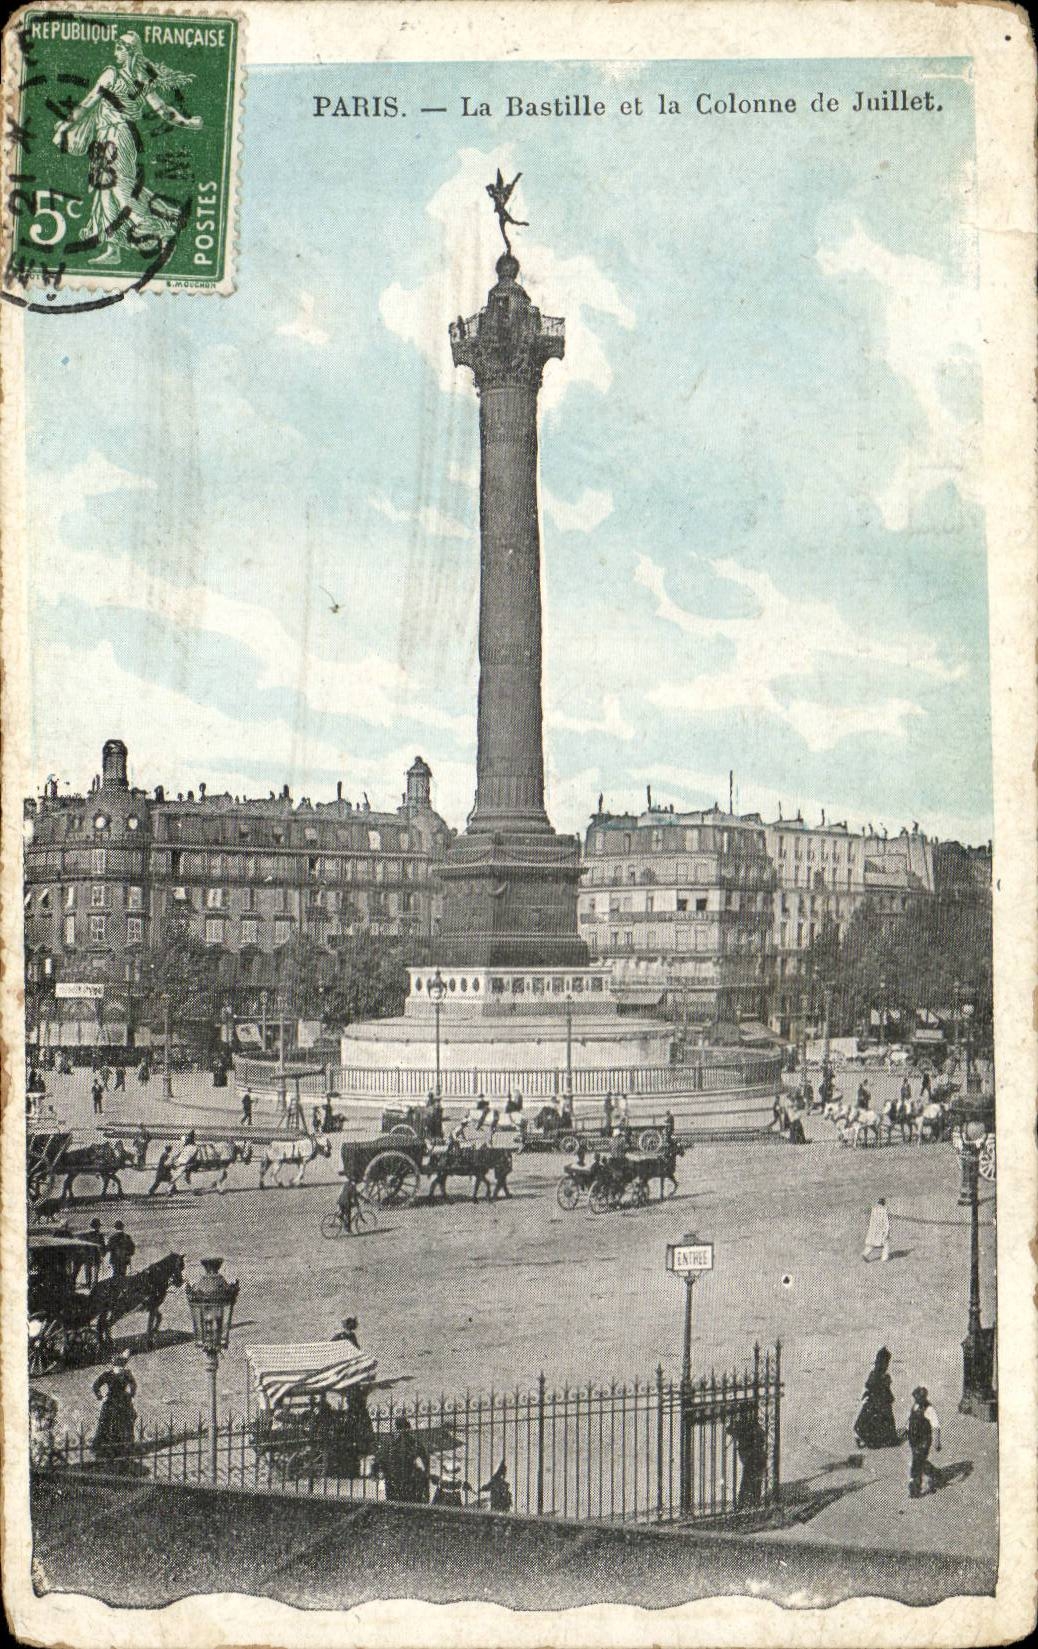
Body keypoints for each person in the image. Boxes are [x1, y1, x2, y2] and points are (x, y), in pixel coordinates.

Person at [92, 1349, 137, 1463]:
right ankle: (105, 1450)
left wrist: (131, 1395)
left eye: (121, 1366)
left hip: (123, 1401)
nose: (120, 1369)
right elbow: (95, 1386)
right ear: (114, 1366)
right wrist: (101, 1397)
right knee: (107, 1424)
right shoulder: (107, 1375)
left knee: (123, 1425)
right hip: (110, 1402)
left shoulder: (127, 1374)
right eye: (118, 1367)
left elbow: (133, 1385)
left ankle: (122, 1449)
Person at [854, 1347, 899, 1449]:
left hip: (875, 1400)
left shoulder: (876, 1373)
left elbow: (869, 1385)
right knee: (883, 1418)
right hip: (879, 1401)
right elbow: (874, 1386)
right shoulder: (880, 1375)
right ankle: (883, 1439)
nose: (887, 1365)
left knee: (871, 1419)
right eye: (886, 1362)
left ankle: (868, 1437)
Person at [378, 1415, 430, 1504]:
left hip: (394, 1479)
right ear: (408, 1427)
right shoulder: (414, 1442)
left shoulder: (392, 1443)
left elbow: (383, 1459)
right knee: (410, 1502)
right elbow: (425, 1460)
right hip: (410, 1479)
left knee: (395, 1502)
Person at [726, 1405, 768, 1509]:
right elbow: (730, 1430)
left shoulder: (753, 1423)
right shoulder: (740, 1422)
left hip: (756, 1452)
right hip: (748, 1452)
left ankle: (752, 1500)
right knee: (750, 1475)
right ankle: (746, 1501)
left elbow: (761, 1435)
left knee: (755, 1475)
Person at [907, 1386, 941, 1497]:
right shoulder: (915, 1406)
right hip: (914, 1439)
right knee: (920, 1461)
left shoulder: (929, 1409)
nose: (917, 1400)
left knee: (917, 1463)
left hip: (924, 1440)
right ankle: (936, 1474)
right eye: (916, 1398)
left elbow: (936, 1426)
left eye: (920, 1398)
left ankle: (915, 1489)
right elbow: (911, 1420)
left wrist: (937, 1441)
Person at [862, 1197, 890, 1263]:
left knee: (872, 1244)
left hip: (873, 1230)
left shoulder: (874, 1209)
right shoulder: (884, 1210)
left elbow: (867, 1210)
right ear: (883, 1203)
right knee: (885, 1243)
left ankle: (865, 1254)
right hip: (881, 1230)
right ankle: (884, 1258)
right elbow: (886, 1222)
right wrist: (887, 1231)